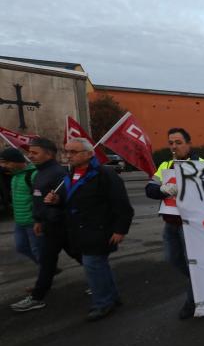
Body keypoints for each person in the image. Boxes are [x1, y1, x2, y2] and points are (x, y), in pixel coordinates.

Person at [44, 138, 133, 321]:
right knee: (99, 266)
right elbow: (70, 201)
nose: (68, 155)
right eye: (66, 151)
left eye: (74, 152)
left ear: (89, 154)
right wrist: (57, 201)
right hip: (79, 231)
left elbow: (121, 204)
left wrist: (120, 230)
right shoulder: (70, 174)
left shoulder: (105, 174)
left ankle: (102, 303)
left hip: (99, 230)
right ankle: (112, 298)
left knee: (93, 266)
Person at [10, 138, 76, 313]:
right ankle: (98, 276)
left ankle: (37, 297)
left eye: (35, 152)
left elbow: (68, 200)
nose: (30, 156)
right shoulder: (40, 173)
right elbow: (38, 200)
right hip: (48, 224)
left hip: (58, 225)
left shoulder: (57, 173)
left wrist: (56, 203)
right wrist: (38, 220)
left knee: (48, 261)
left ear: (49, 154)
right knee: (76, 254)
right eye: (30, 152)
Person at [145, 127, 201, 319]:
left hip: (192, 225)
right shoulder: (165, 165)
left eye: (178, 142)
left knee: (192, 263)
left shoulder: (200, 165)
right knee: (172, 258)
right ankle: (202, 282)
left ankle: (192, 303)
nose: (174, 146)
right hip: (171, 223)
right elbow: (149, 189)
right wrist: (163, 189)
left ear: (188, 144)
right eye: (171, 143)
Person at [0, 148, 39, 268]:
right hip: (19, 221)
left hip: (32, 221)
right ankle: (47, 268)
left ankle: (46, 272)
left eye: (6, 162)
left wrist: (38, 218)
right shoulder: (15, 176)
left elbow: (39, 199)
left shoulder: (33, 174)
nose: (4, 166)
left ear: (17, 161)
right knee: (21, 247)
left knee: (37, 250)